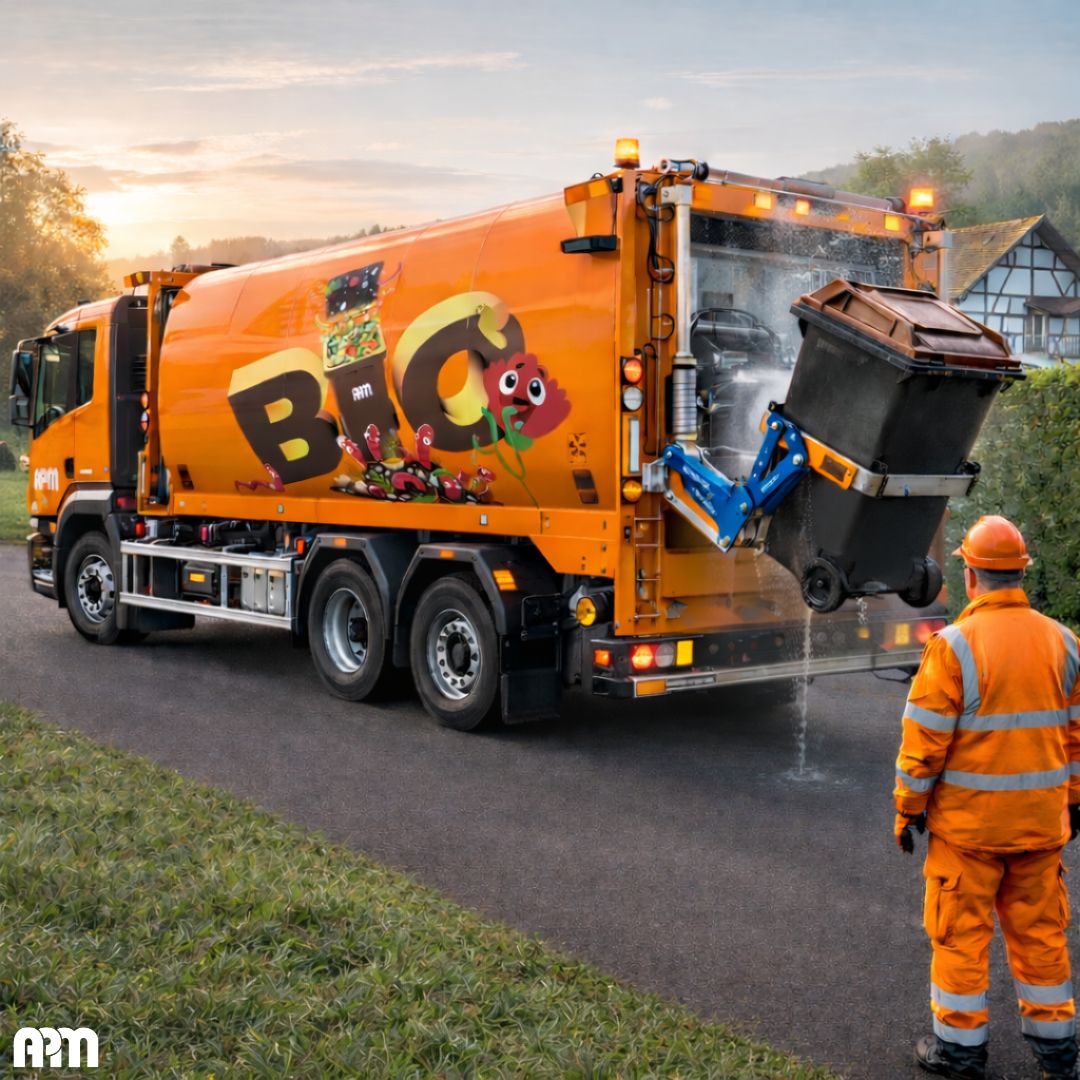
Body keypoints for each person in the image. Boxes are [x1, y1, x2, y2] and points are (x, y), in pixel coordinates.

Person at [894, 515, 1080, 1080]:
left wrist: (907, 811)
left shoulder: (952, 647)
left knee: (959, 939)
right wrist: (1072, 800)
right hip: (1041, 830)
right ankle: (1058, 1058)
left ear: (970, 575)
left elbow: (923, 746)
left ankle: (959, 1053)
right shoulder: (1064, 641)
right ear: (1020, 573)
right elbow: (1074, 735)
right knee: (1042, 941)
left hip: (969, 836)